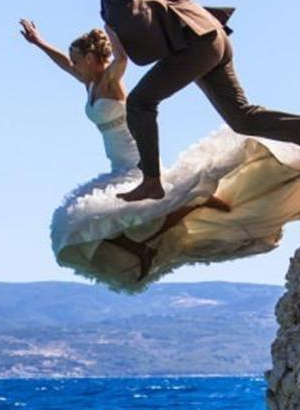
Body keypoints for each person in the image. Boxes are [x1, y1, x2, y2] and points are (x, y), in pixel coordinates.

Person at [67, 0, 300, 203]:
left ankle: (150, 180)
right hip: (209, 38)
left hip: (196, 42)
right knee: (241, 117)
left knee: (139, 103)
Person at [19, 19, 228, 279]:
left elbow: (122, 60)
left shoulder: (109, 81)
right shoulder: (90, 83)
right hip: (117, 164)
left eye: (77, 60)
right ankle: (142, 248)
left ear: (93, 58)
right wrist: (39, 43)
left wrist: (112, 30)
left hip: (137, 163)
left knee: (119, 216)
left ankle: (195, 201)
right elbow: (63, 64)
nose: (73, 66)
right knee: (83, 221)